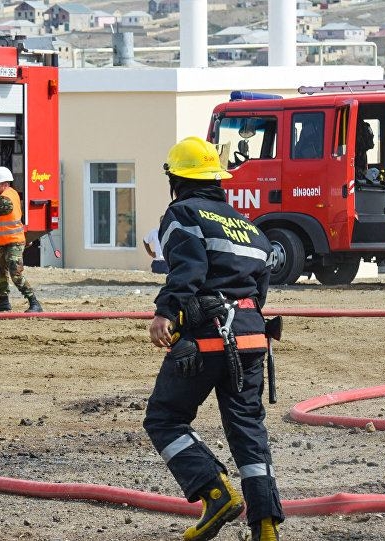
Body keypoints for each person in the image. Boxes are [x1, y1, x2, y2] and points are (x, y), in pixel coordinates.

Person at [143, 137, 283, 541]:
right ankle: (267, 524)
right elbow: (259, 294)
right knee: (248, 430)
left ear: (177, 178)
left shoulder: (182, 213)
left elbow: (187, 269)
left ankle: (215, 493)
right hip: (253, 339)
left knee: (165, 419)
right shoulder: (252, 230)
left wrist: (165, 312)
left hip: (207, 338)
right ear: (217, 180)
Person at [0, 166, 43, 313]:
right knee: (0, 272)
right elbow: (0, 211)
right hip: (4, 242)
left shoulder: (5, 199)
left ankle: (34, 303)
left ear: (6, 184)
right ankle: (4, 302)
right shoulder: (9, 195)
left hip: (13, 242)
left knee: (15, 273)